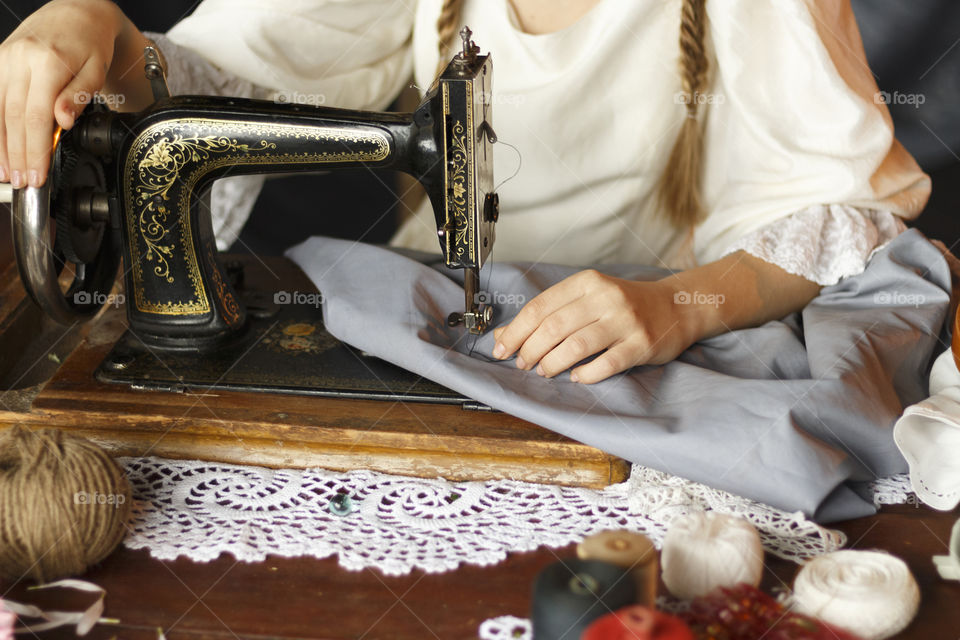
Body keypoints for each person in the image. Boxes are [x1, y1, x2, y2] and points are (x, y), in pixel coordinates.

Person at [0, 0, 930, 384]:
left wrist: (676, 305)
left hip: (628, 351)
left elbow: (842, 209)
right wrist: (109, 36)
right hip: (426, 323)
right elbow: (223, 82)